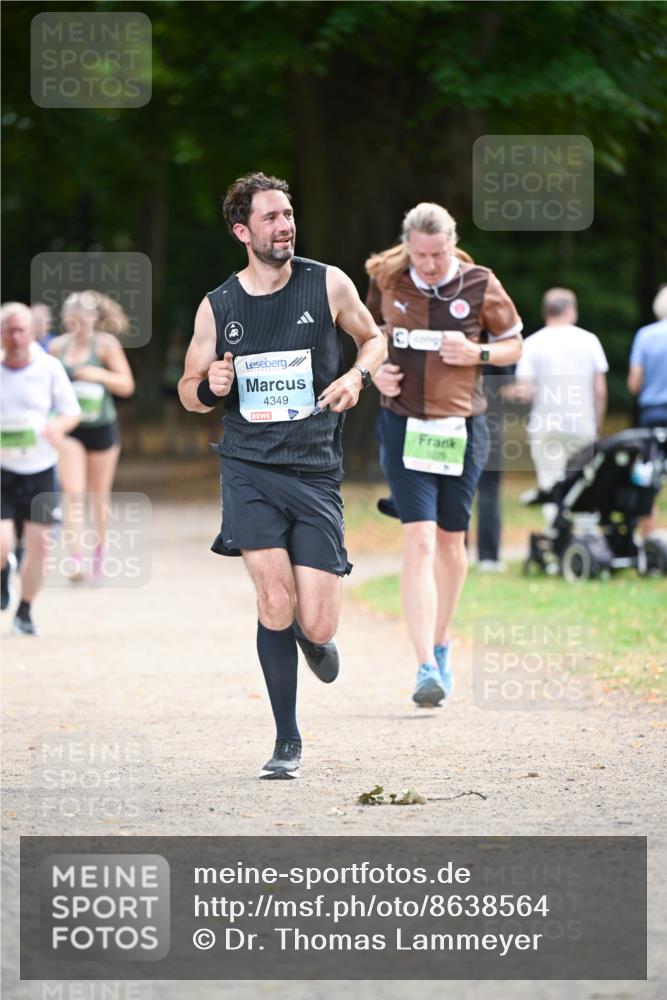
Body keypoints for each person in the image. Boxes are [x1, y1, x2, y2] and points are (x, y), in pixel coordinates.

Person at [178, 171, 386, 780]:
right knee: (274, 599)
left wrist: (356, 376)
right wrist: (209, 387)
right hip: (248, 467)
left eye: (289, 214)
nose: (285, 225)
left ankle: (313, 638)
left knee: (316, 621)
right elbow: (190, 391)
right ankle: (286, 740)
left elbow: (373, 340)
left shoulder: (328, 284)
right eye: (271, 218)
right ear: (243, 231)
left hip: (316, 469)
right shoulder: (218, 306)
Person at [366, 202, 522, 707]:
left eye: (438, 254)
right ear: (407, 247)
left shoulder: (480, 283)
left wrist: (477, 354)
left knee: (453, 545)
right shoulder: (387, 276)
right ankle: (424, 667)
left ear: (452, 244)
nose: (429, 264)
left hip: (463, 427)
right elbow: (369, 338)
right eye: (420, 255)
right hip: (403, 422)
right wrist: (377, 372)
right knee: (420, 543)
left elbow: (513, 344)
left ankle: (441, 638)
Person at [1, 302, 81, 634]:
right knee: (2, 543)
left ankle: (25, 610)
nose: (16, 337)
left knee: (41, 544)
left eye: (22, 330)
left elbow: (71, 411)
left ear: (32, 332)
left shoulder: (48, 368)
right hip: (3, 470)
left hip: (41, 470)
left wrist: (58, 428)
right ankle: (5, 569)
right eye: (9, 330)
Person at [49, 291, 135, 583]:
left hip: (102, 427)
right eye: (71, 318)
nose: (78, 323)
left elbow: (126, 385)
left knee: (98, 495)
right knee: (73, 493)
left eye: (83, 317)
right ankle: (75, 558)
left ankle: (100, 548)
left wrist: (98, 376)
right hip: (70, 429)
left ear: (95, 318)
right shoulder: (57, 348)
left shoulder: (106, 345)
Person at [513, 288, 608, 521]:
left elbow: (524, 391)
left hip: (546, 426)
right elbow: (600, 391)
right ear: (569, 310)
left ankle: (556, 542)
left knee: (551, 483)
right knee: (584, 485)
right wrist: (597, 424)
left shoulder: (532, 343)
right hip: (582, 424)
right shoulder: (589, 340)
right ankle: (585, 543)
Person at [627, 284, 667, 534]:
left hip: (653, 415)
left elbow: (634, 384)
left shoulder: (645, 336)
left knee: (648, 476)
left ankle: (649, 537)